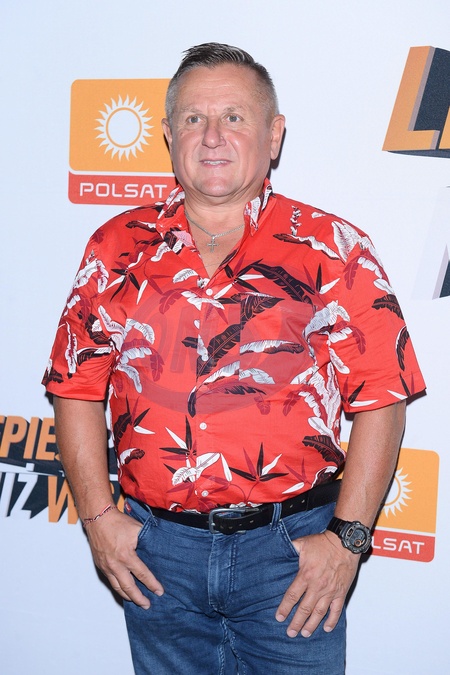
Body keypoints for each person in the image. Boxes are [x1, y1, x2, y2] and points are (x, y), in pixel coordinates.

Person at [43, 43, 426, 674]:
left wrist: (348, 540)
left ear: (274, 136)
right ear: (169, 135)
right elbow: (75, 386)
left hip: (291, 557)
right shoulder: (116, 248)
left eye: (235, 117)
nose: (213, 136)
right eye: (194, 118)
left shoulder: (334, 248)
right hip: (156, 556)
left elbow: (383, 397)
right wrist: (98, 519)